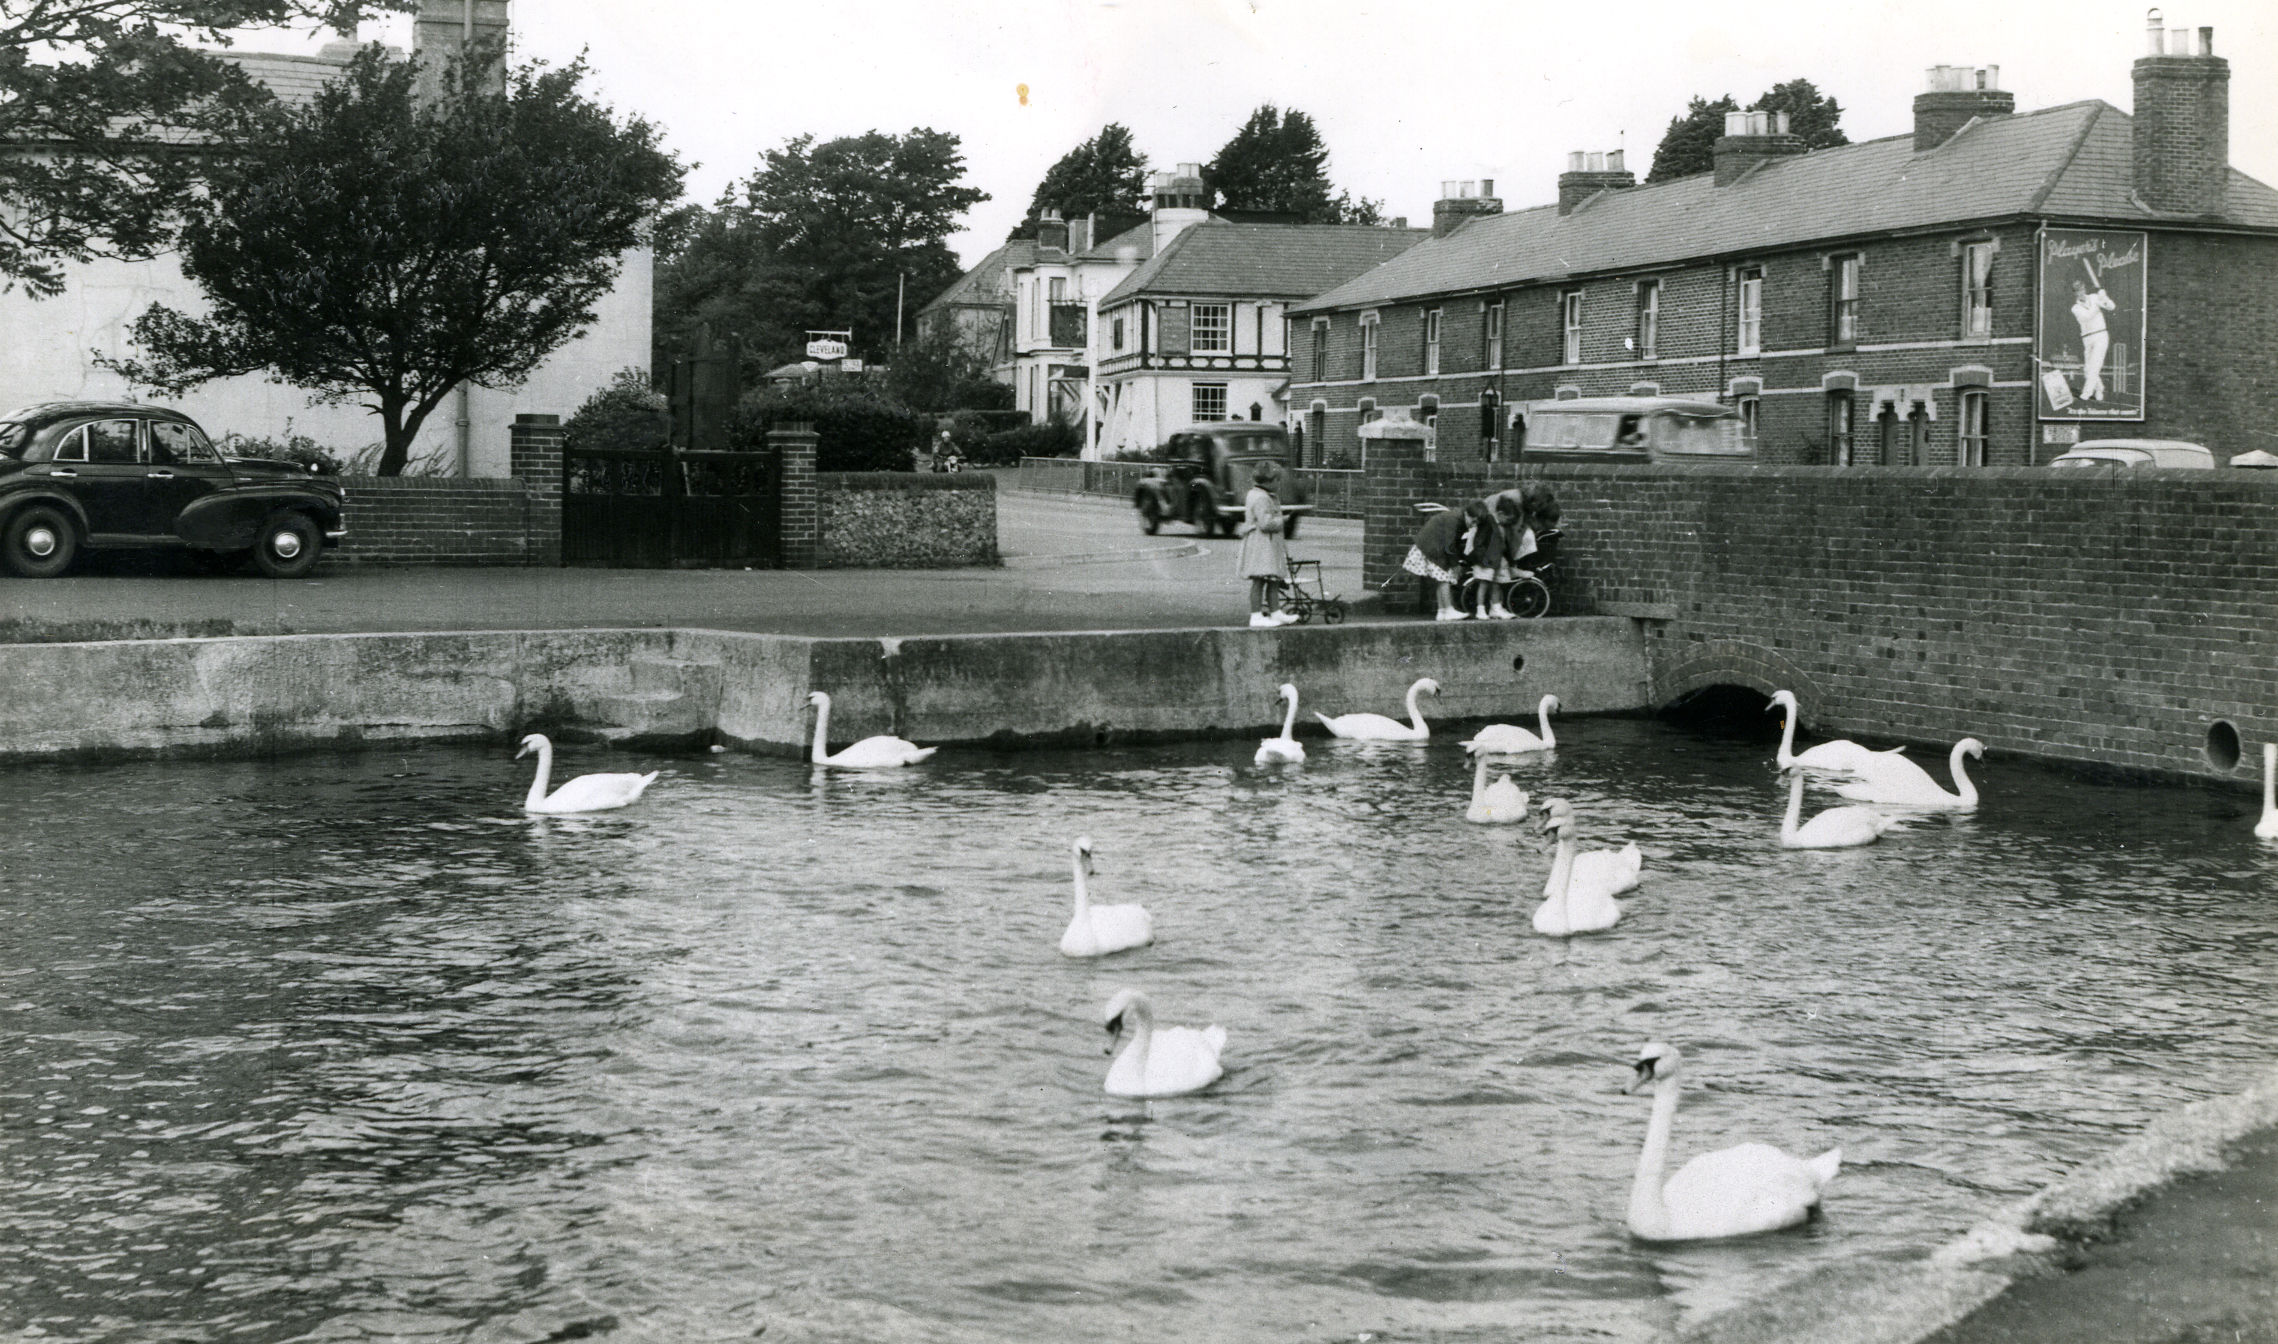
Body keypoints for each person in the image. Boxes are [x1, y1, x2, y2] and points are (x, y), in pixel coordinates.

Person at [1403, 499, 1499, 622]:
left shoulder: (1459, 519)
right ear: (1467, 514)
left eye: (1477, 523)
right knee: (1445, 577)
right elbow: (1450, 545)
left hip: (1431, 545)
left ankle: (1441, 611)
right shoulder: (1454, 520)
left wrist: (1457, 560)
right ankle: (1448, 609)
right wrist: (1455, 565)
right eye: (1473, 520)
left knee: (1441, 578)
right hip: (1432, 546)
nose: (1473, 524)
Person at [1239, 460, 1295, 628]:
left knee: (1272, 579)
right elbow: (1265, 523)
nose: (1279, 484)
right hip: (1261, 545)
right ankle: (1256, 616)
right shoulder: (1262, 498)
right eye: (1277, 480)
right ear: (1269, 481)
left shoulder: (1256, 494)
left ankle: (1276, 612)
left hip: (1266, 545)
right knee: (1260, 579)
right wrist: (1282, 520)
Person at [2071, 278, 2116, 402]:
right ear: (2074, 293)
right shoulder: (2075, 308)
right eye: (2076, 291)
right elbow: (2087, 317)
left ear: (2084, 289)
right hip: (2087, 339)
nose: (2079, 293)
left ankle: (2086, 394)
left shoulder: (2095, 297)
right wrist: (2098, 303)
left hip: (2101, 335)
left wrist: (2105, 297)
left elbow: (2112, 307)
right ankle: (2100, 387)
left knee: (2095, 366)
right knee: (2087, 370)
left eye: (2081, 289)